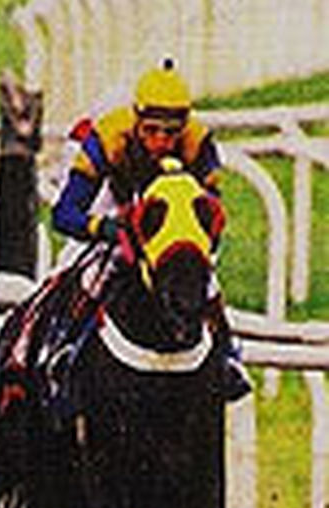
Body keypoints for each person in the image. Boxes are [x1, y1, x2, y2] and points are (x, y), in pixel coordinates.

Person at [51, 59, 248, 399]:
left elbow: (212, 212)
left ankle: (228, 357)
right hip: (114, 207)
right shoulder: (109, 136)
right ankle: (60, 351)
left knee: (206, 278)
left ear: (184, 126)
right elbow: (64, 214)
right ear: (136, 121)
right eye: (151, 130)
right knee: (83, 269)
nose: (160, 141)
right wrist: (104, 227)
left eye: (171, 133)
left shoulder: (199, 142)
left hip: (169, 228)